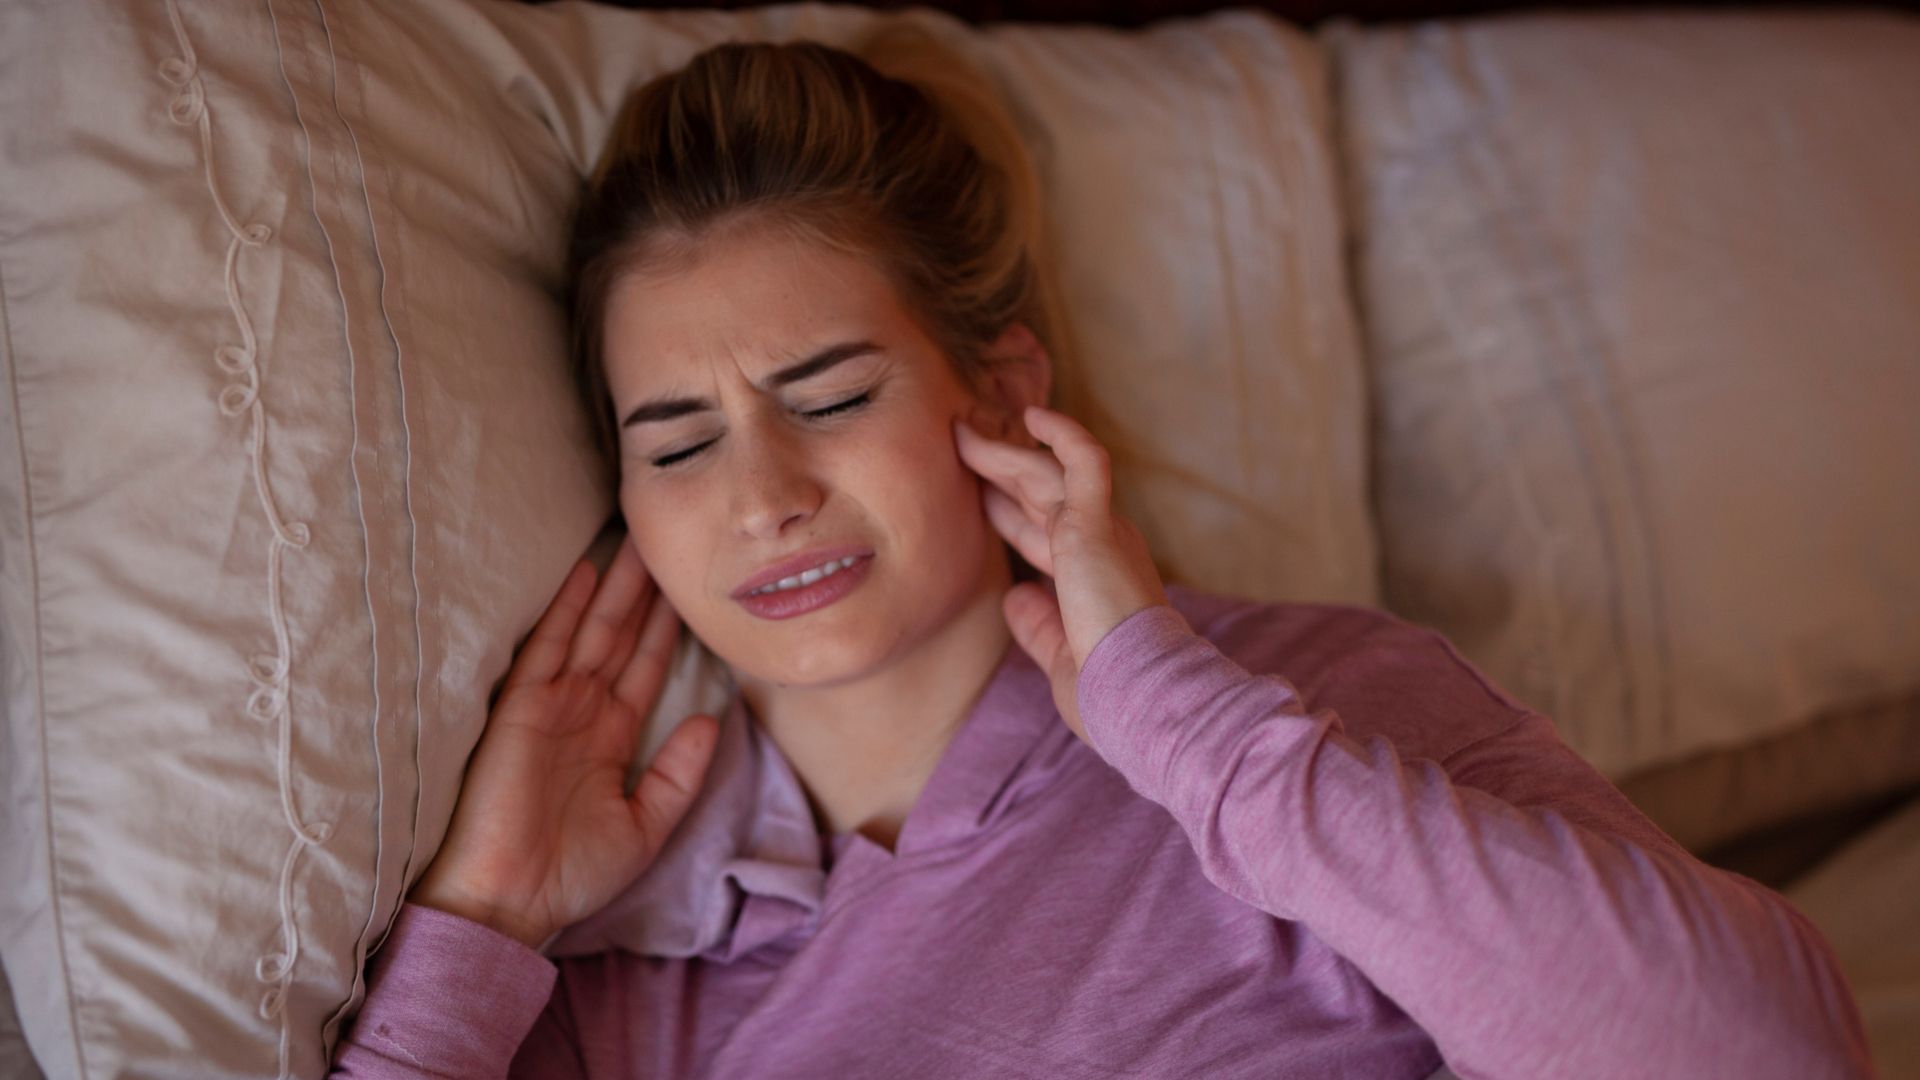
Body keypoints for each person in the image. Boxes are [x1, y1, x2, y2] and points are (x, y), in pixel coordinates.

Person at [329, 36, 1873, 1080]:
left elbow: (1772, 1054)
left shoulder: (1296, 710)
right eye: (678, 443)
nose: (765, 495)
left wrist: (1184, 729)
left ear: (1001, 392)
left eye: (833, 397)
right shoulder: (628, 974)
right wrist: (487, 926)